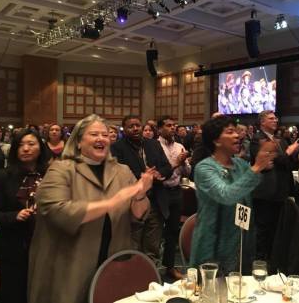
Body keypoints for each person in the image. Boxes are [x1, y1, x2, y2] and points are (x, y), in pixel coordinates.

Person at [28, 114, 152, 303]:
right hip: (70, 264)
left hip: (113, 259)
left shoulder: (122, 171)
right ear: (78, 141)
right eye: (94, 134)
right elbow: (59, 212)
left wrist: (141, 194)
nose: (101, 138)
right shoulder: (61, 170)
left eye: (104, 134)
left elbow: (138, 216)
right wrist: (113, 202)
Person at [190, 116, 275, 274]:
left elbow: (249, 191)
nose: (237, 135)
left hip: (242, 239)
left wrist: (264, 164)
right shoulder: (205, 168)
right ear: (216, 141)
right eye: (230, 132)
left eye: (237, 132)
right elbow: (226, 195)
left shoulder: (240, 165)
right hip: (214, 240)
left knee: (241, 289)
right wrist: (256, 168)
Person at [0, 129, 49, 303]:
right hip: (14, 246)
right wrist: (15, 216)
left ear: (40, 148)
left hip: (45, 245)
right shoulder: (3, 176)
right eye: (20, 145)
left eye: (31, 144)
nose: (26, 149)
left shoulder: (50, 175)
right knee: (14, 294)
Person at [111, 115, 172, 262]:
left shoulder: (153, 144)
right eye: (131, 126)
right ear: (124, 129)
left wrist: (159, 174)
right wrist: (143, 178)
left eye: (138, 125)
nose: (135, 128)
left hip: (155, 200)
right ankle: (133, 279)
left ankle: (151, 278)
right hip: (132, 202)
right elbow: (116, 175)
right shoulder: (116, 148)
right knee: (132, 245)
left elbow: (167, 167)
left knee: (153, 245)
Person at [250, 111, 299, 261]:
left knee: (277, 229)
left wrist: (286, 155)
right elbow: (269, 162)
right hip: (265, 192)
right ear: (262, 122)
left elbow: (289, 163)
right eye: (271, 118)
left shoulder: (280, 140)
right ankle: (260, 261)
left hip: (281, 190)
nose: (275, 120)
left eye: (276, 118)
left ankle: (273, 260)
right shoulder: (257, 139)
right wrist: (288, 152)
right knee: (263, 229)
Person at [157, 116, 191, 279]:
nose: (172, 128)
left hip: (176, 191)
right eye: (168, 125)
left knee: (172, 231)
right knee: (155, 232)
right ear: (160, 129)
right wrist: (177, 162)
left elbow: (187, 172)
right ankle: (150, 267)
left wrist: (184, 163)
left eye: (174, 125)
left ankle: (170, 267)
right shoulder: (154, 146)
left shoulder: (180, 146)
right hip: (159, 192)